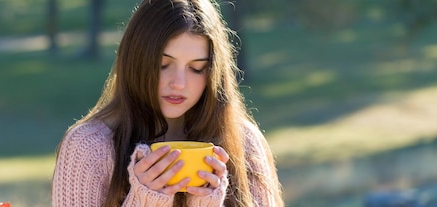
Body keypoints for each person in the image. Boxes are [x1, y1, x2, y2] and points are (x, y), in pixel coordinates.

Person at [51, 0, 284, 206]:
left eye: (196, 68)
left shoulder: (244, 143)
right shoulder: (89, 148)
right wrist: (145, 202)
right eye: (164, 64)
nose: (179, 83)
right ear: (136, 61)